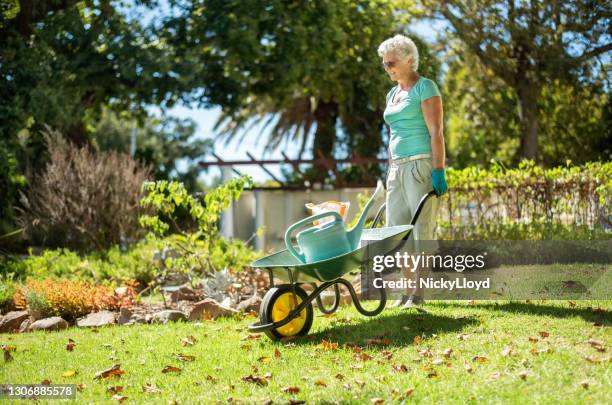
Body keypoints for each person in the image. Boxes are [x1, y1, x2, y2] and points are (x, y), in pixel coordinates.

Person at [377, 34, 448, 310]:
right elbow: (393, 134)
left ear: (409, 60)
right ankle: (406, 293)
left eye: (391, 63)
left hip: (420, 165)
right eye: (384, 64)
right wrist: (390, 169)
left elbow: (436, 131)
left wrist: (438, 170)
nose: (388, 68)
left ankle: (418, 295)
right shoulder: (392, 94)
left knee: (421, 231)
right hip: (396, 169)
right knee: (397, 233)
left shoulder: (425, 87)